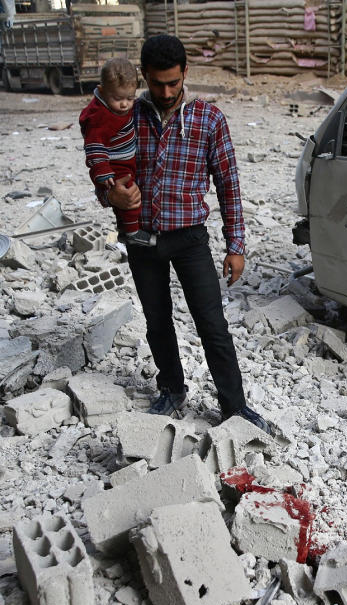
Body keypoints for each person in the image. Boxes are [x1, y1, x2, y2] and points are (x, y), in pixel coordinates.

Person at [104, 34, 271, 433]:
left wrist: (236, 246)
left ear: (185, 76)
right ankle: (172, 389)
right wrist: (110, 193)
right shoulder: (126, 117)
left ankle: (234, 406)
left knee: (212, 324)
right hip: (141, 238)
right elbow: (103, 168)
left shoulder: (209, 120)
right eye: (157, 83)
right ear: (143, 75)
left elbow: (228, 185)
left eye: (173, 83)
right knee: (156, 320)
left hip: (190, 238)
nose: (165, 91)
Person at [79, 57, 153, 246]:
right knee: (128, 198)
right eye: (118, 99)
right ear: (102, 91)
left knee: (132, 197)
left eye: (130, 98)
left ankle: (123, 229)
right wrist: (103, 171)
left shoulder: (121, 107)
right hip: (114, 166)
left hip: (127, 160)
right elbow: (94, 146)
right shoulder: (99, 116)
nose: (124, 105)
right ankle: (132, 233)